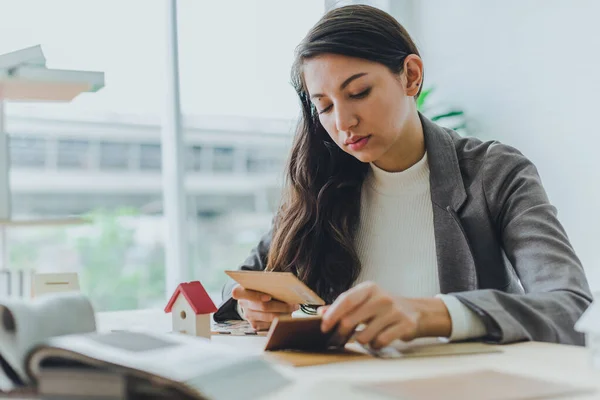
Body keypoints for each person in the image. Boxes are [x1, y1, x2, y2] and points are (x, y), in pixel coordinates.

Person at [213, 4, 592, 348]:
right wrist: (254, 306)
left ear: (410, 76)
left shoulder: (494, 173)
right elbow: (241, 283)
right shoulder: (320, 182)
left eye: (358, 92)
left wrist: (434, 314)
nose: (343, 122)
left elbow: (570, 307)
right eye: (324, 106)